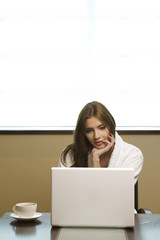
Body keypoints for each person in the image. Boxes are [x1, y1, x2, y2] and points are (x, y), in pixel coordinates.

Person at [58, 101, 143, 184]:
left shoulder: (132, 154)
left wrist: (95, 161)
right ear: (83, 133)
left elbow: (117, 193)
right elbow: (62, 192)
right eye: (89, 131)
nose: (96, 136)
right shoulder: (69, 154)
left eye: (101, 127)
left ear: (111, 125)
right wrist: (95, 157)